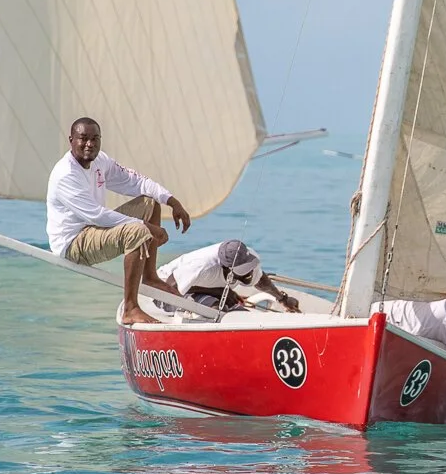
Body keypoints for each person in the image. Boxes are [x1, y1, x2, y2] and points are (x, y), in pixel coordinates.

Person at [45, 116, 192, 325]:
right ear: (71, 140)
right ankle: (130, 308)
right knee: (137, 231)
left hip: (93, 228)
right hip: (73, 243)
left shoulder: (100, 161)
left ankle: (149, 277)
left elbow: (135, 181)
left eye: (95, 138)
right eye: (83, 138)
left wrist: (171, 200)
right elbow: (97, 214)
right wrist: (146, 227)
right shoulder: (65, 175)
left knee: (150, 204)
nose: (90, 144)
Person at [159, 240, 301, 313]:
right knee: (213, 310)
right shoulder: (201, 266)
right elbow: (170, 289)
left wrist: (282, 298)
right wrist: (219, 292)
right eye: (243, 270)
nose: (249, 273)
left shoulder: (247, 256)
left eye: (249, 267)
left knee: (241, 314)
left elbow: (260, 279)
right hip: (164, 291)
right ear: (225, 267)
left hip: (206, 289)